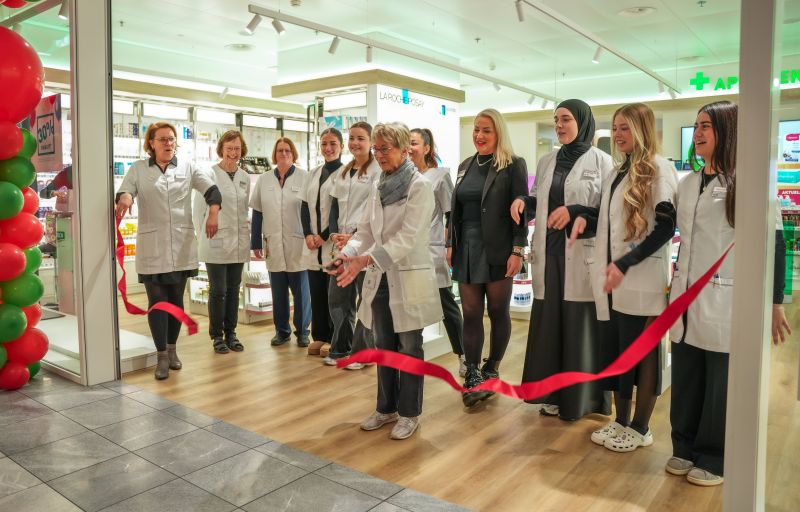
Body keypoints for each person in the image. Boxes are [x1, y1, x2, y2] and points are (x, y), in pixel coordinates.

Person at [665, 100, 790, 486]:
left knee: (720, 383)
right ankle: (683, 446)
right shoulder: (687, 183)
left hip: (725, 299)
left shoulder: (749, 182)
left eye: (707, 126)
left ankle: (714, 456)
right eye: (696, 126)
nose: (698, 133)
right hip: (685, 297)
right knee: (686, 375)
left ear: (727, 131)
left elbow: (775, 244)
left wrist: (775, 302)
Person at [569, 103, 678, 451]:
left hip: (642, 277)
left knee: (643, 356)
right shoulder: (618, 171)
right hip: (614, 281)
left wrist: (627, 262)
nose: (617, 135)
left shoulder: (659, 168)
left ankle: (641, 427)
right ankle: (621, 422)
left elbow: (666, 227)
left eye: (625, 128)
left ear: (642, 129)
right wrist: (580, 218)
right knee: (620, 354)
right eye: (614, 128)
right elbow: (607, 220)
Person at [330, 122, 442, 440]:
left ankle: (409, 413)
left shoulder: (420, 187)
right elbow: (365, 231)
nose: (379, 155)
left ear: (404, 150)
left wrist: (366, 260)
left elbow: (408, 238)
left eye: (385, 149)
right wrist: (347, 254)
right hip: (380, 275)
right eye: (376, 149)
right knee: (384, 344)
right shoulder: (379, 183)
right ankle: (386, 407)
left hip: (407, 276)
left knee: (409, 347)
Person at [511, 99, 613, 421]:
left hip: (582, 255)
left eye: (566, 119)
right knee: (551, 327)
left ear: (582, 122)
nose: (559, 125)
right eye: (556, 120)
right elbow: (541, 200)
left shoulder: (603, 162)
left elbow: (608, 213)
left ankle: (581, 400)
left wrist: (576, 213)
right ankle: (553, 395)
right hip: (549, 253)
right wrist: (523, 201)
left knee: (578, 328)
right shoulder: (547, 161)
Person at [115, 121, 221, 380]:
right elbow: (126, 190)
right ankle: (161, 355)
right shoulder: (139, 169)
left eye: (171, 139)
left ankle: (172, 350)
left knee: (175, 302)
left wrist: (213, 214)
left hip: (182, 245)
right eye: (162, 139)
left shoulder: (187, 167)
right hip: (152, 248)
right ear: (151, 143)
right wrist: (125, 198)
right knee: (157, 302)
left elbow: (212, 190)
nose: (168, 143)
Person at [448, 108, 528, 407]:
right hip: (466, 247)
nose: (479, 136)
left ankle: (491, 368)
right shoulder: (465, 165)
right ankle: (472, 373)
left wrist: (518, 250)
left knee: (497, 311)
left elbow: (521, 211)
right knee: (470, 311)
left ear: (498, 133)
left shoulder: (513, 165)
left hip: (499, 247)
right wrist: (451, 242)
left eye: (486, 130)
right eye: (476, 130)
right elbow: (455, 210)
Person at [409, 127, 465, 376]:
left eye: (414, 143)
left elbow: (451, 214)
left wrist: (450, 245)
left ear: (427, 148)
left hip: (432, 249)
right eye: (407, 143)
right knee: (414, 307)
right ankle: (413, 356)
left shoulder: (440, 176)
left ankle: (464, 355)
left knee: (446, 304)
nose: (409, 148)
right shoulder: (405, 176)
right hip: (409, 252)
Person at [325, 122, 380, 367]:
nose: (355, 143)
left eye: (361, 138)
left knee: (365, 301)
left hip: (364, 244)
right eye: (352, 138)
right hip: (341, 245)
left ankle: (363, 353)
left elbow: (374, 210)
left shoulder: (377, 171)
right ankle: (340, 348)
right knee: (338, 298)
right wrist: (334, 234)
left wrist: (355, 235)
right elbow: (334, 206)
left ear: (371, 142)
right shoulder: (344, 171)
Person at [250, 137, 311, 347]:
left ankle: (303, 331)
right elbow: (257, 212)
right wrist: (255, 242)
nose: (283, 154)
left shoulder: (305, 177)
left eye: (287, 150)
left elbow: (312, 211)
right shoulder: (264, 179)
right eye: (279, 151)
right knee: (278, 292)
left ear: (293, 154)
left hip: (298, 243)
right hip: (273, 242)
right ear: (274, 155)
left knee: (301, 292)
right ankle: (282, 331)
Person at [194, 130, 250, 354]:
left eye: (237, 148)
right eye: (229, 148)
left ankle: (231, 333)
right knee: (218, 290)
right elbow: (198, 211)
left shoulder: (244, 177)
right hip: (215, 240)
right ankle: (217, 336)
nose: (233, 153)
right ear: (221, 149)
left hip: (238, 242)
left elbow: (243, 209)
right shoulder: (209, 175)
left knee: (234, 289)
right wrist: (202, 235)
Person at [301, 128, 343, 356]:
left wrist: (323, 236)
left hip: (331, 243)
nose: (328, 148)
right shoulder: (313, 173)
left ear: (341, 146)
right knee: (316, 292)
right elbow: (303, 206)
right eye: (324, 143)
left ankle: (336, 337)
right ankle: (319, 336)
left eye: (333, 143)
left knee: (334, 296)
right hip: (312, 245)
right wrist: (308, 234)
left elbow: (338, 212)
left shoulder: (345, 173)